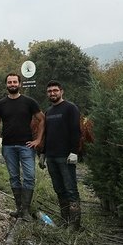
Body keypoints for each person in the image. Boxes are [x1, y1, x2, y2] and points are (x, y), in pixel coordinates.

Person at [0, 72, 44, 221]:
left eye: (15, 82)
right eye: (10, 82)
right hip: (8, 146)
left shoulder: (29, 102)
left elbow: (42, 119)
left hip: (26, 145)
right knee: (14, 178)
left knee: (29, 177)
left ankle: (25, 210)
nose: (12, 84)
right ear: (6, 84)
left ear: (19, 84)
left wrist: (38, 139)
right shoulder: (1, 104)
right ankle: (19, 209)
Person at [40, 81, 82, 230]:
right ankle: (65, 220)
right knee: (59, 189)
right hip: (51, 157)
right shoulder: (48, 112)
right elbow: (47, 134)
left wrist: (74, 151)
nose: (52, 93)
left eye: (55, 90)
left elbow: (76, 131)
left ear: (61, 91)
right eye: (50, 91)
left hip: (66, 156)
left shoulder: (71, 108)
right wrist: (43, 153)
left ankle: (75, 224)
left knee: (71, 189)